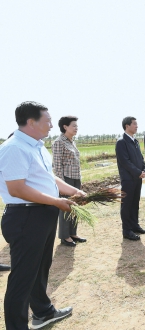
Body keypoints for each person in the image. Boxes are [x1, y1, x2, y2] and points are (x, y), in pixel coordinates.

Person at [0, 101, 86, 329]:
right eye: (47, 120)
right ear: (31, 122)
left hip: (42, 215)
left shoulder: (37, 146)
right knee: (22, 279)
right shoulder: (14, 148)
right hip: (25, 218)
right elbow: (16, 189)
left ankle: (43, 312)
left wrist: (72, 190)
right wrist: (57, 201)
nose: (50, 125)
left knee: (39, 269)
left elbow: (48, 178)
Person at [52, 116, 87, 247]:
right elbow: (57, 165)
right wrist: (61, 184)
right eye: (74, 126)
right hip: (66, 179)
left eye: (77, 126)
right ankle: (65, 236)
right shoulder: (59, 142)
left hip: (75, 178)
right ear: (65, 127)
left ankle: (73, 233)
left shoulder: (72, 141)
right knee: (66, 207)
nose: (76, 128)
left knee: (75, 207)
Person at [116, 116, 145, 241]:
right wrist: (137, 172)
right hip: (128, 179)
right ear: (127, 126)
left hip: (137, 178)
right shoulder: (121, 142)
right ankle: (127, 230)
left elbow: (140, 158)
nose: (137, 126)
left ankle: (135, 226)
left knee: (135, 203)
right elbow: (125, 162)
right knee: (127, 204)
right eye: (134, 124)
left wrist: (144, 169)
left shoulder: (135, 141)